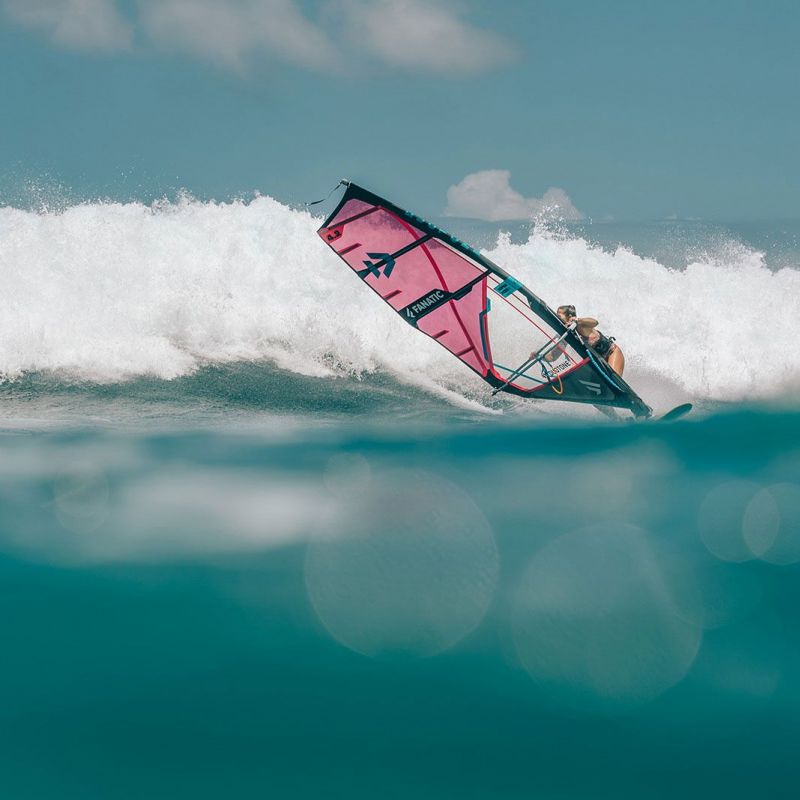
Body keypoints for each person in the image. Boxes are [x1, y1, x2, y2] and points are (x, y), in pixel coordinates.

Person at [555, 304, 625, 376]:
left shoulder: (580, 325)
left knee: (612, 378)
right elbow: (553, 357)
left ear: (569, 316)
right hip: (599, 362)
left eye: (559, 316)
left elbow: (595, 322)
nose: (556, 317)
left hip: (611, 353)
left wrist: (577, 320)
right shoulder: (567, 334)